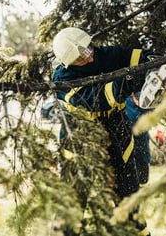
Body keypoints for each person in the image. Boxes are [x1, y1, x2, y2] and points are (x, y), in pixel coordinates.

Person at [52, 27, 153, 236]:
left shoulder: (105, 55)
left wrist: (152, 62)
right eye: (81, 57)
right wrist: (127, 81)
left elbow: (134, 56)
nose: (89, 57)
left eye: (88, 49)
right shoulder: (62, 80)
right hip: (81, 146)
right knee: (72, 205)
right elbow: (95, 100)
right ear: (69, 62)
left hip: (118, 135)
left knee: (129, 200)